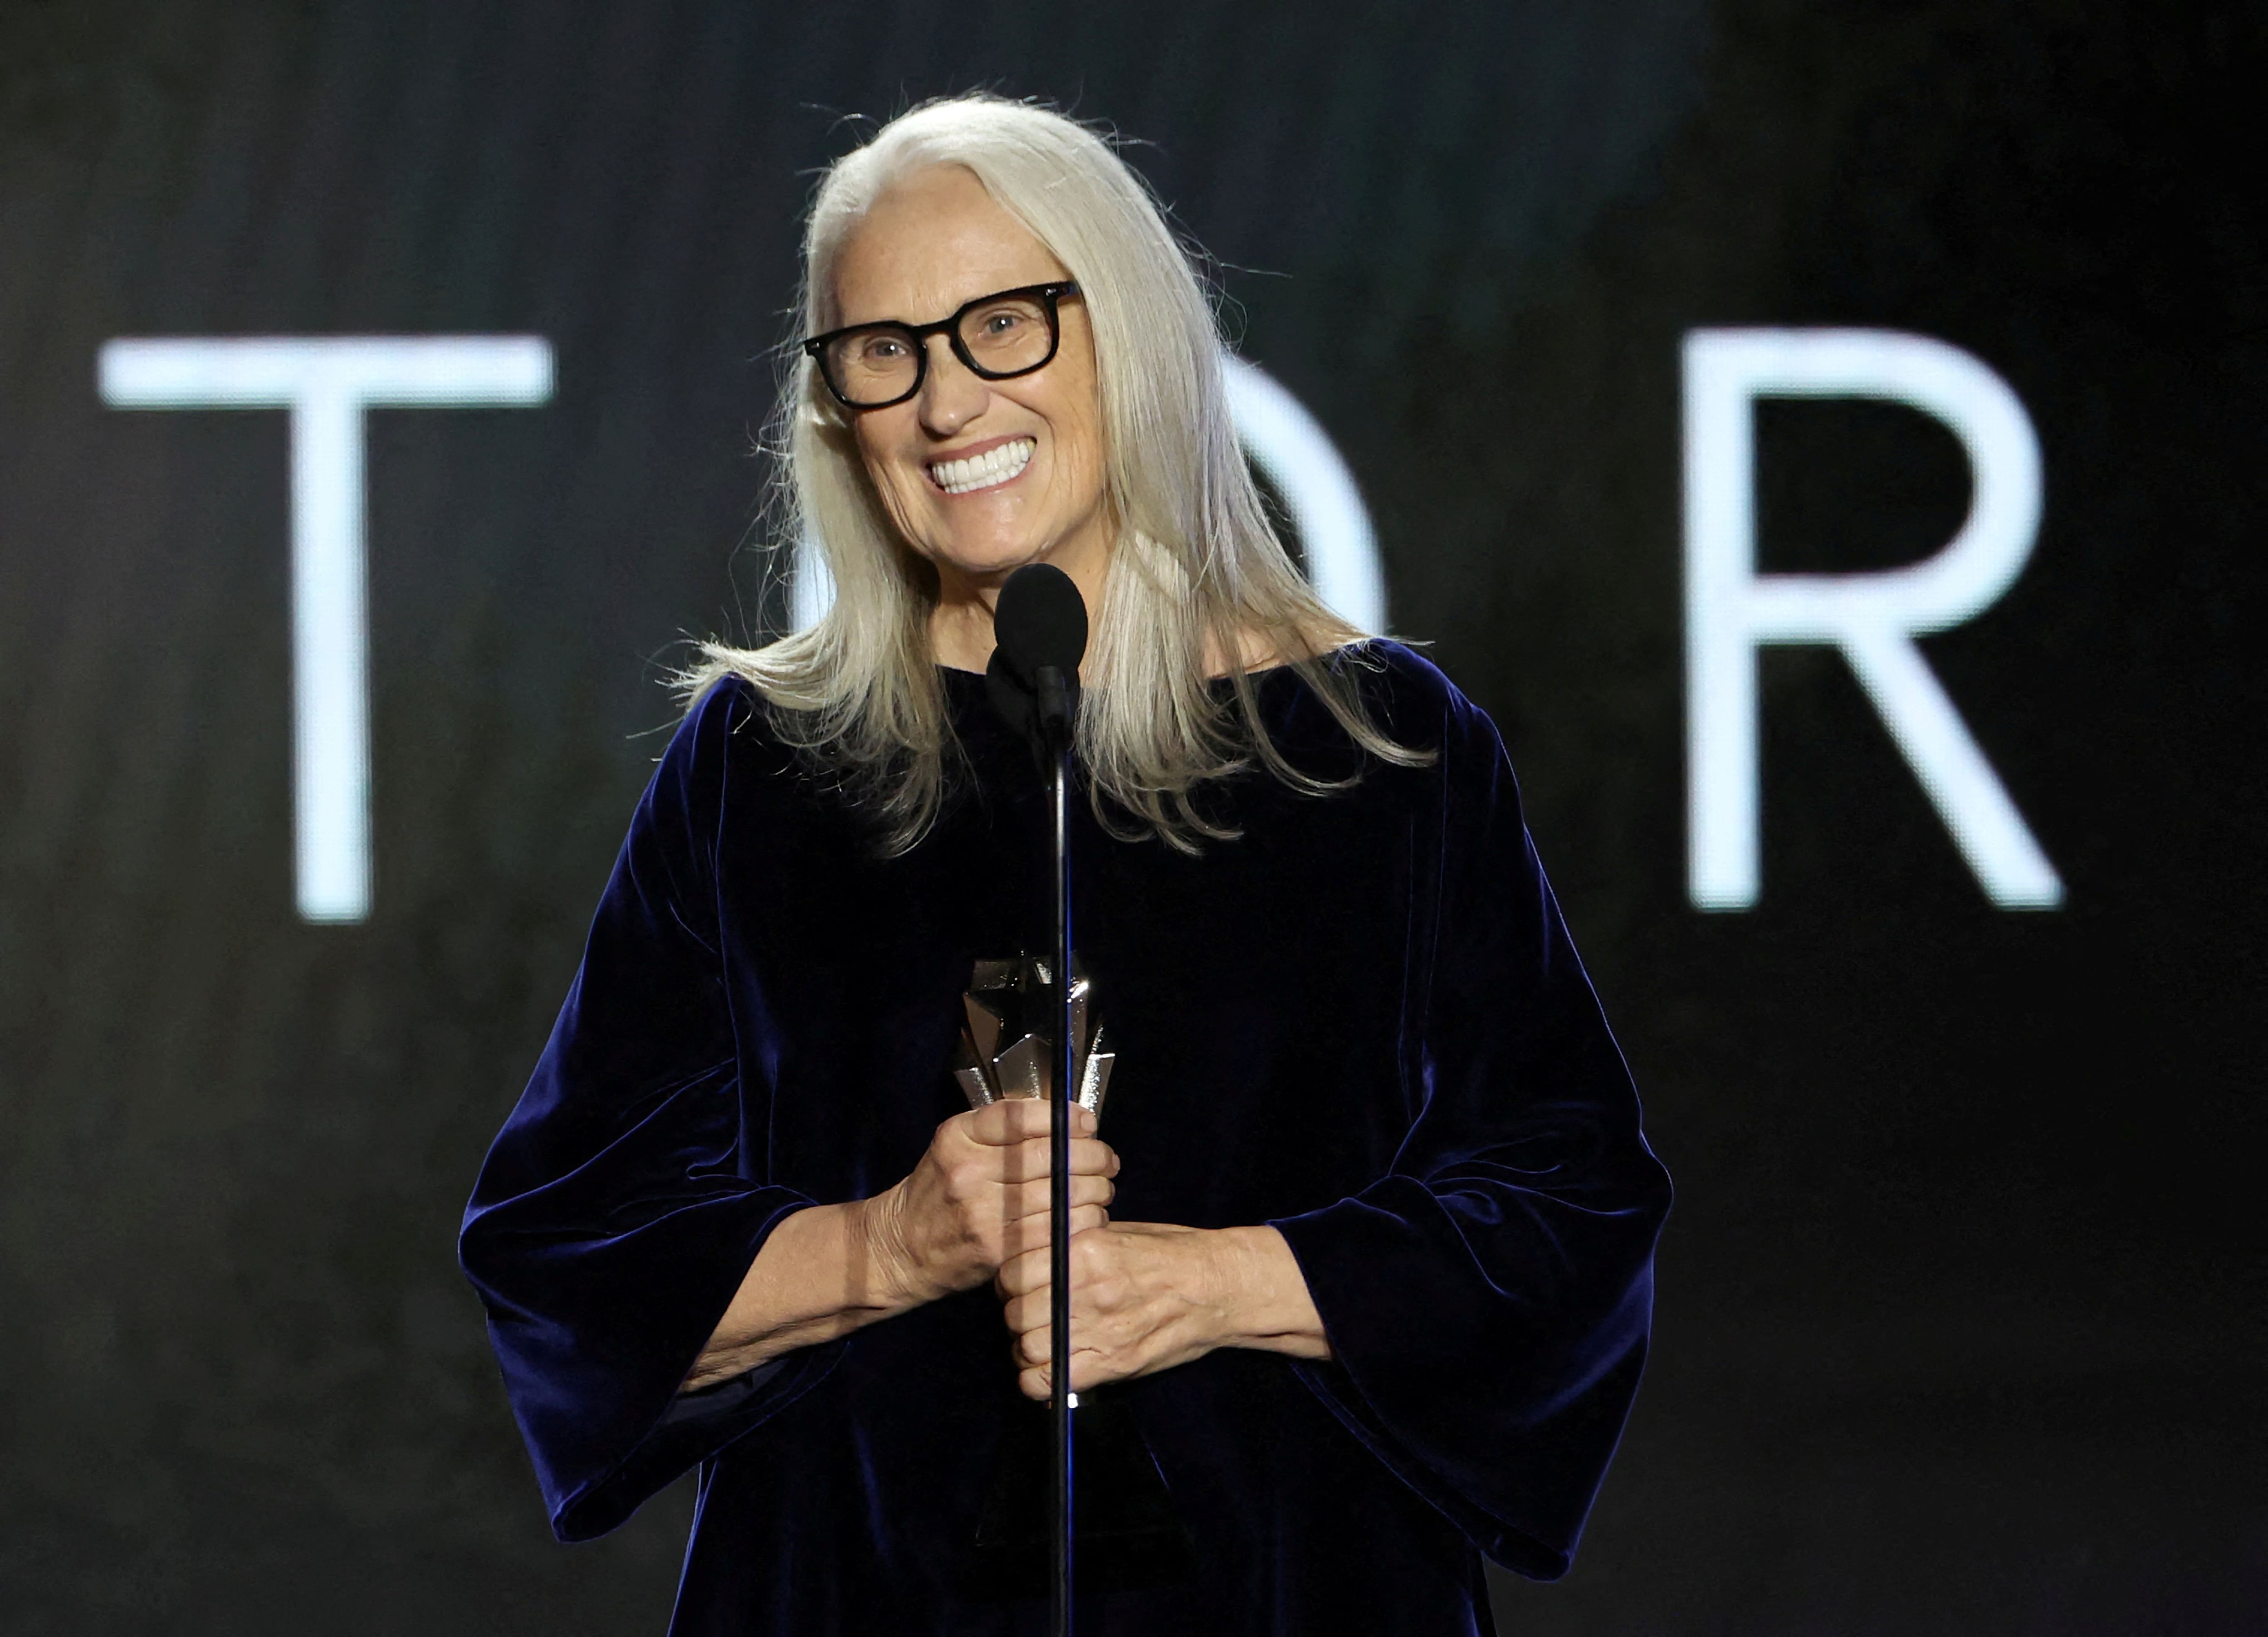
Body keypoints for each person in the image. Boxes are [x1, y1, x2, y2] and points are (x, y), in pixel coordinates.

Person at [460, 94, 1670, 1637]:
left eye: (1004, 324)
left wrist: (1216, 1283)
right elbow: (563, 1252)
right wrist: (892, 1244)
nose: (947, 403)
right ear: (836, 405)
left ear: (1128, 331)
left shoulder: (1380, 751)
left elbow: (1571, 1209)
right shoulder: (761, 767)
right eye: (884, 350)